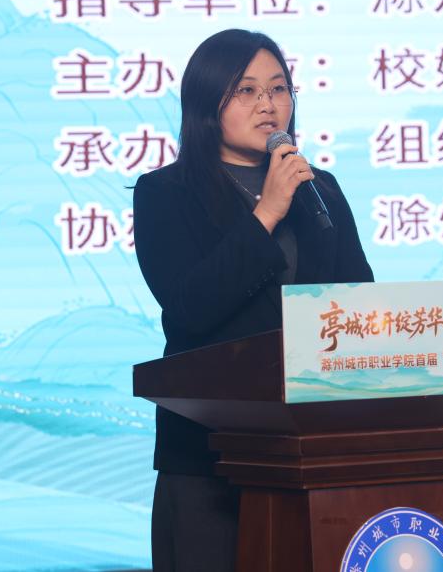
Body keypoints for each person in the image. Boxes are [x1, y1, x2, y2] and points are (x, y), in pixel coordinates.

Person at [132, 29, 373, 572]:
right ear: (206, 104)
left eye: (279, 88)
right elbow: (189, 307)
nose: (268, 104)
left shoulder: (320, 189)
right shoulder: (166, 193)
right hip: (209, 453)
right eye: (246, 90)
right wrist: (266, 213)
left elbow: (358, 305)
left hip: (312, 449)